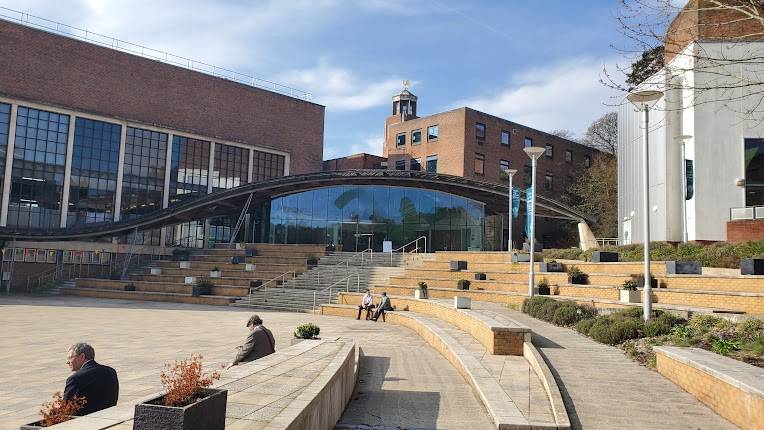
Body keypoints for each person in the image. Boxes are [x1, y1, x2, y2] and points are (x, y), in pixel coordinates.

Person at [64, 343, 119, 416]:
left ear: (82, 356)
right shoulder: (110, 371)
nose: (67, 362)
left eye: (70, 358)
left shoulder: (75, 378)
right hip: (109, 416)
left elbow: (66, 407)